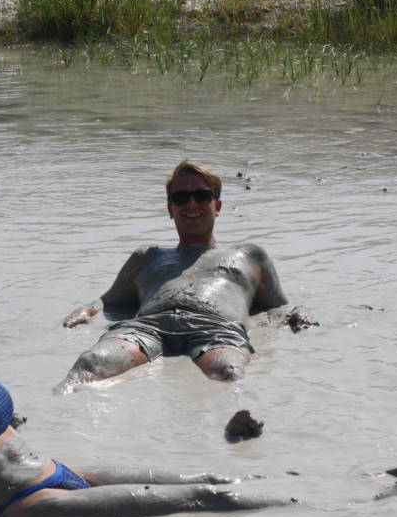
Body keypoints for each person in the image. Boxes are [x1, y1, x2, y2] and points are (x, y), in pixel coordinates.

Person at [0, 258, 397, 517]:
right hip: (26, 504)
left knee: (206, 476)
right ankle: (359, 507)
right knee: (205, 500)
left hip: (60, 471)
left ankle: (365, 477)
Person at [58, 159, 316, 394]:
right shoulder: (146, 256)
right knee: (89, 363)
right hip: (149, 326)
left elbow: (277, 307)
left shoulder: (250, 254)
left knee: (229, 371)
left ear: (218, 206)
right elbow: (110, 300)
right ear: (171, 209)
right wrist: (87, 310)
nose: (191, 203)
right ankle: (48, 419)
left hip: (217, 327)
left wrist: (300, 310)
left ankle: (239, 428)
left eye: (202, 196)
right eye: (181, 198)